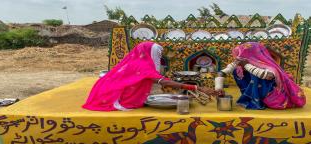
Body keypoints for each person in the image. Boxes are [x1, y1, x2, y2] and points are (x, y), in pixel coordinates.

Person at [82, 41, 217, 111]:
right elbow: (164, 82)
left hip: (104, 90)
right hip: (110, 96)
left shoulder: (136, 61)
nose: (158, 57)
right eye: (158, 53)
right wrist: (196, 88)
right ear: (150, 53)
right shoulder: (143, 66)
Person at [217, 42, 306, 110]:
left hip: (273, 96)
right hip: (258, 90)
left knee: (257, 74)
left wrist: (247, 65)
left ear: (251, 55)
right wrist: (219, 88)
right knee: (237, 70)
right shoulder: (242, 62)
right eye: (238, 55)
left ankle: (258, 100)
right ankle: (250, 97)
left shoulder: (267, 66)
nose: (238, 57)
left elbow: (268, 76)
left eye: (242, 54)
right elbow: (222, 73)